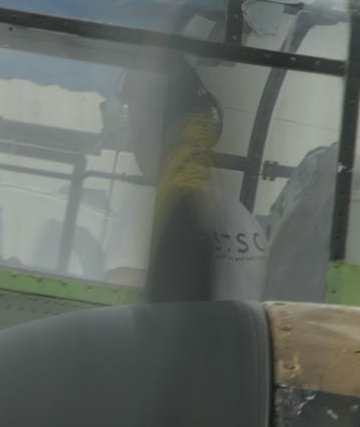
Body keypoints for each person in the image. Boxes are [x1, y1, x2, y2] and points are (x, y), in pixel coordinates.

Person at [103, 54, 266, 299]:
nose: (134, 140)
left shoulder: (148, 205)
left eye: (137, 125)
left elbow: (120, 302)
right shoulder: (243, 219)